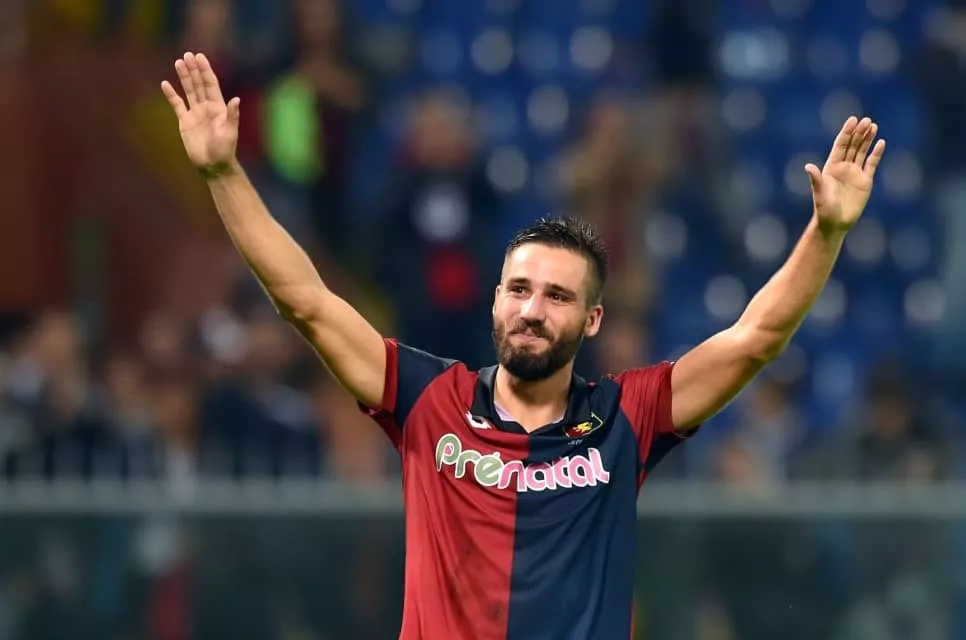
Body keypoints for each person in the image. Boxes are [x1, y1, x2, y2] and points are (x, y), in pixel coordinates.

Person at [160, 52, 886, 640]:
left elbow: (755, 339)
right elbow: (306, 302)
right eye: (519, 289)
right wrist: (224, 173)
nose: (532, 311)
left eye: (558, 296)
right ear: (495, 301)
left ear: (592, 321)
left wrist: (825, 233)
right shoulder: (428, 399)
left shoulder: (626, 418)